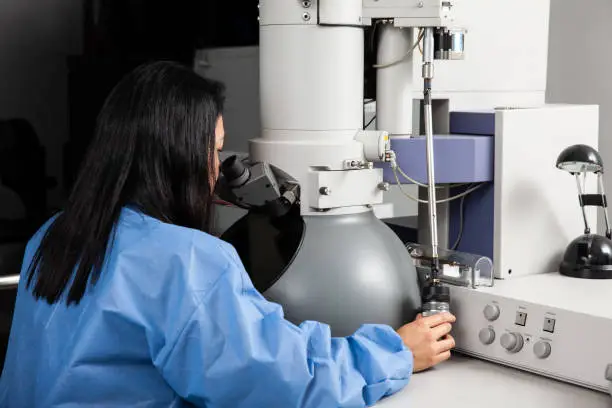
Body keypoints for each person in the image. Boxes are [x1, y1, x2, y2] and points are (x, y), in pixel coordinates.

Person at [0, 61, 456, 407]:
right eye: (215, 150)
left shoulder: (53, 234)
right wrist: (395, 351)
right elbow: (282, 382)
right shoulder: (185, 260)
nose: (219, 169)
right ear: (180, 158)